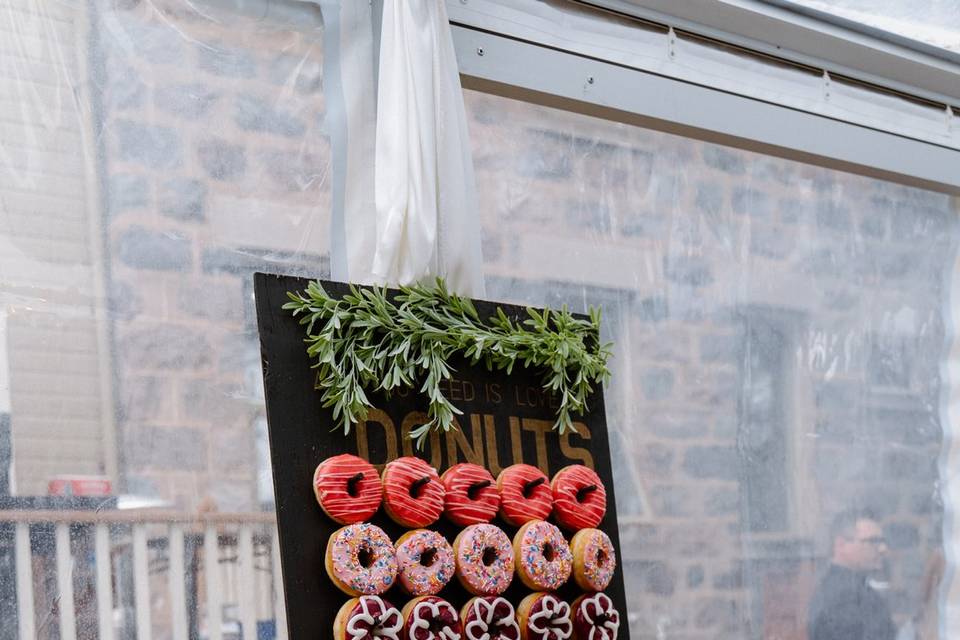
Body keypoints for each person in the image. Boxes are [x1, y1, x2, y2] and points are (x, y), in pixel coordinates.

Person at [808, 508, 896, 640]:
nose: (883, 549)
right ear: (841, 544)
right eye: (873, 541)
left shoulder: (853, 589)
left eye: (882, 541)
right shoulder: (843, 596)